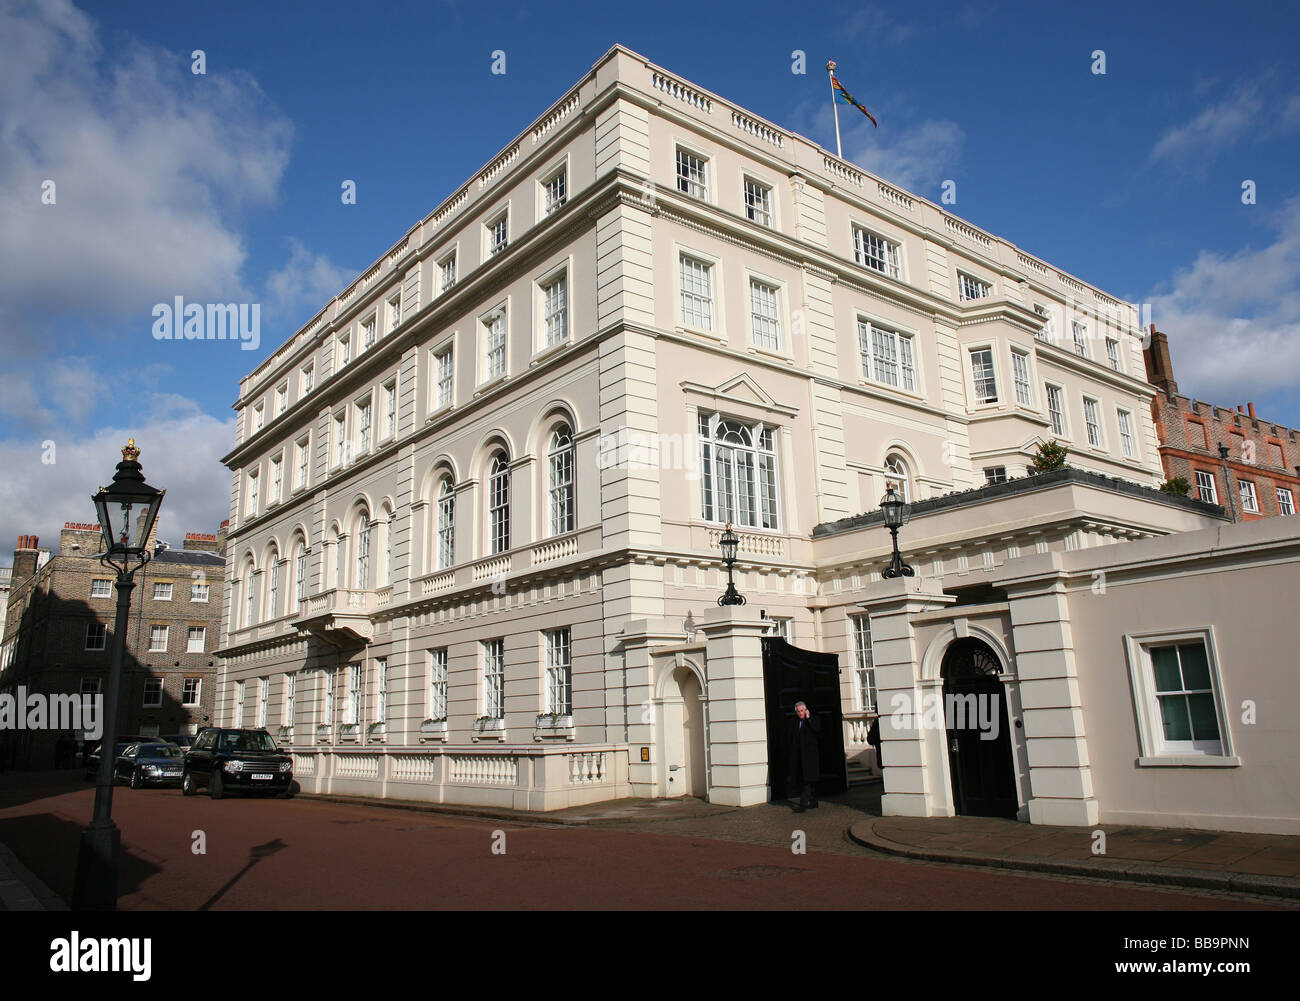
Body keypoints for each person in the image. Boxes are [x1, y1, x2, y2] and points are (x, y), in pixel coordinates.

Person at [787, 700, 821, 812]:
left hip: (810, 756)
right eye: (798, 711)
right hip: (799, 757)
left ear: (806, 710)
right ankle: (814, 801)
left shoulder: (812, 719)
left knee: (807, 780)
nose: (800, 713)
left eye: (802, 710)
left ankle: (803, 805)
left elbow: (817, 729)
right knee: (807, 780)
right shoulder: (794, 722)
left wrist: (809, 718)